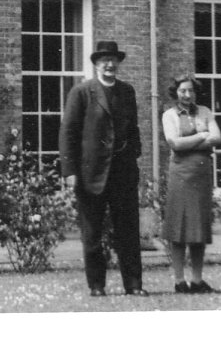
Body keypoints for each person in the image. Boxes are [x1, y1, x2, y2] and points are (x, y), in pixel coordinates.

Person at [59, 40, 148, 297]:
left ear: (118, 63)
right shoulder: (82, 92)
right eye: (104, 60)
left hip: (123, 173)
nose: (109, 64)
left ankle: (134, 284)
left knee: (128, 232)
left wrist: (133, 155)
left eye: (113, 60)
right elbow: (68, 132)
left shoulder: (127, 91)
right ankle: (96, 285)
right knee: (92, 233)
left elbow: (133, 129)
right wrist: (70, 171)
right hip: (91, 173)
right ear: (96, 64)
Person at [161, 73, 221, 293]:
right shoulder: (169, 115)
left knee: (198, 229)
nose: (187, 95)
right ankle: (179, 280)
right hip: (180, 175)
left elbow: (217, 138)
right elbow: (174, 143)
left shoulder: (205, 111)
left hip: (201, 174)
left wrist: (190, 141)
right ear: (176, 92)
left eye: (191, 90)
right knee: (178, 228)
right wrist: (201, 136)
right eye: (183, 91)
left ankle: (197, 280)